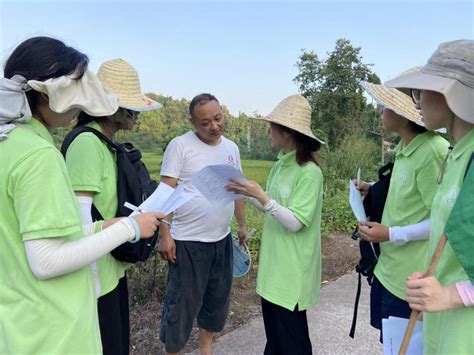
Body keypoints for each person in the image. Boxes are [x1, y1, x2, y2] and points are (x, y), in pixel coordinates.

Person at [0, 36, 163, 354]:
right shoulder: (38, 155)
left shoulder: (9, 144)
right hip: (56, 330)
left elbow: (34, 238)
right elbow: (47, 260)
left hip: (21, 322)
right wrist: (129, 228)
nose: (79, 106)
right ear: (47, 94)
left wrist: (104, 227)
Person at [63, 58, 162, 355]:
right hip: (96, 280)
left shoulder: (106, 143)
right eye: (133, 107)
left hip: (111, 270)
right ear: (111, 107)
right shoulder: (86, 145)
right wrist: (92, 289)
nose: (138, 115)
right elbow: (80, 222)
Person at [386, 39, 474, 354]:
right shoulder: (457, 154)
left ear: (453, 94)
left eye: (421, 91)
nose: (417, 100)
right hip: (445, 329)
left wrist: (451, 295)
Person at [226, 94, 324, 355]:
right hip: (274, 269)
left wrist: (262, 197)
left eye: (273, 125)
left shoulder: (309, 173)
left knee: (292, 343)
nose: (268, 130)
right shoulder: (281, 165)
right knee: (277, 340)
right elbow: (273, 209)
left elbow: (295, 222)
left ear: (288, 132)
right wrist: (247, 193)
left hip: (291, 273)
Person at [355, 73, 449, 341]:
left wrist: (391, 234)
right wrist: (372, 188)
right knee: (390, 343)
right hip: (388, 270)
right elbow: (412, 196)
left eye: (386, 105)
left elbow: (442, 221)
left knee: (404, 345)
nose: (381, 111)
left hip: (410, 280)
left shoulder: (433, 151)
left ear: (404, 113)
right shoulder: (406, 147)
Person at [158, 93, 247, 355]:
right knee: (181, 306)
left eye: (218, 119)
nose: (214, 126)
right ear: (193, 122)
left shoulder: (231, 148)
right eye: (205, 122)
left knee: (215, 302)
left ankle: (206, 350)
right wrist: (165, 233)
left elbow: (237, 188)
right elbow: (164, 193)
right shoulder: (180, 146)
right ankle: (173, 351)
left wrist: (241, 224)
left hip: (221, 239)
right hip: (188, 242)